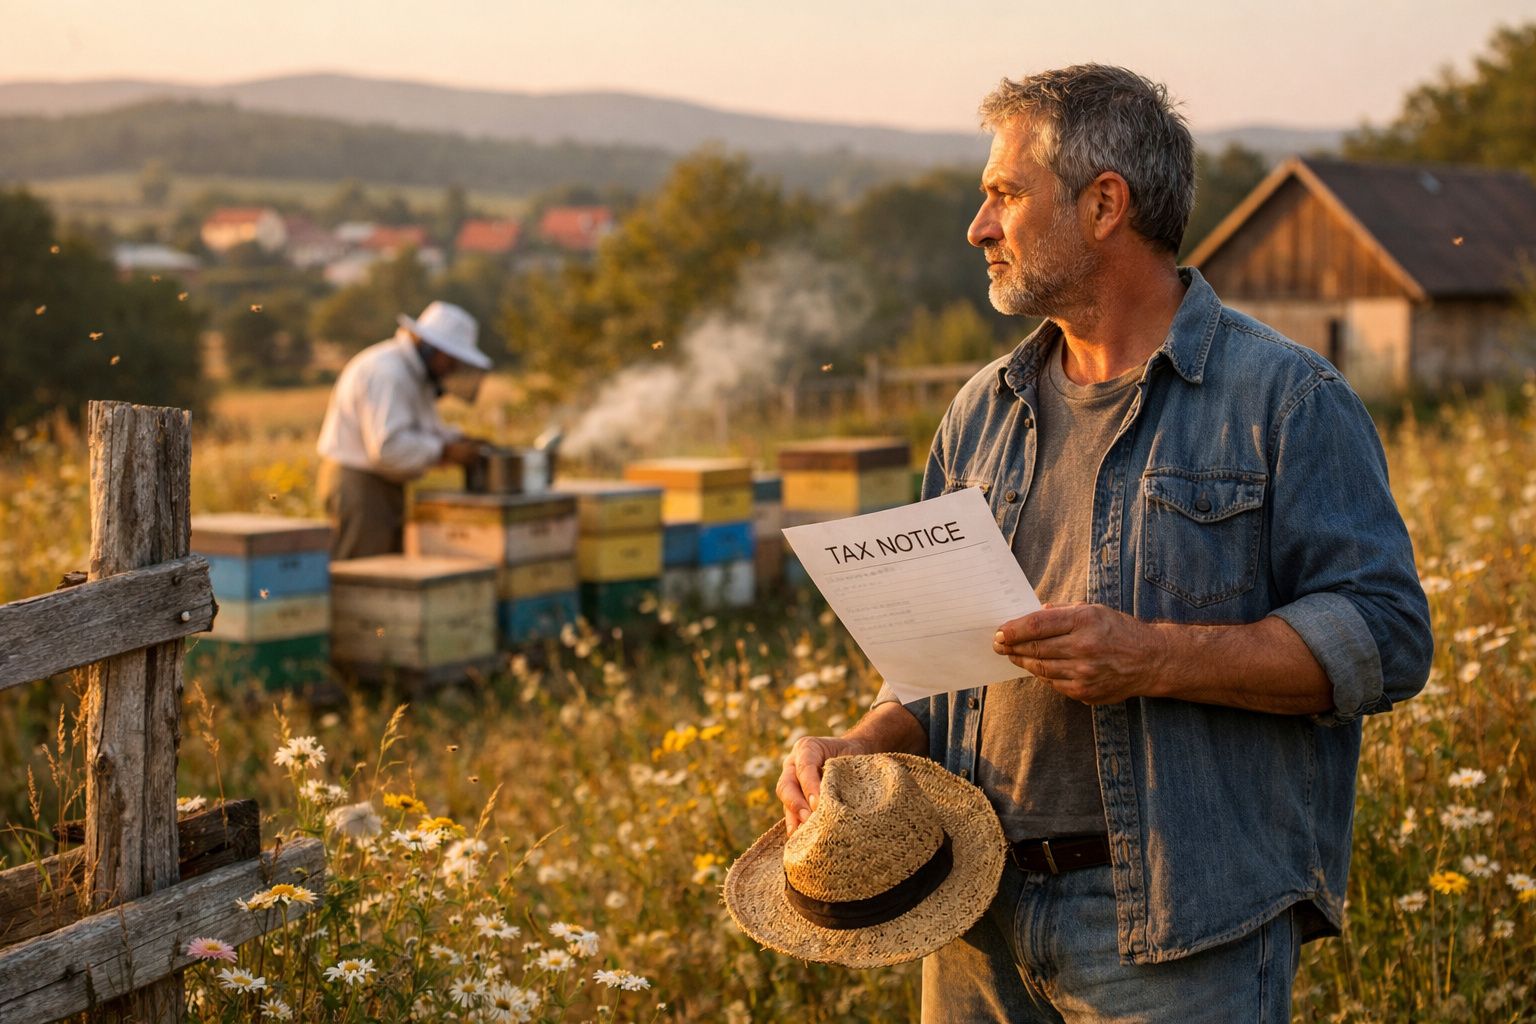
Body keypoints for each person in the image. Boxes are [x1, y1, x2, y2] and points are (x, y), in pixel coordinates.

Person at [775, 65, 1431, 1022]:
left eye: (1004, 194)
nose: (979, 226)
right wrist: (863, 744)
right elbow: (944, 667)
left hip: (1178, 928)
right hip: (972, 915)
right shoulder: (979, 411)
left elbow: (1385, 636)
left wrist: (1153, 656)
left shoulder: (1285, 400)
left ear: (1104, 205)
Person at [317, 300, 492, 561]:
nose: (453, 368)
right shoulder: (388, 372)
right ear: (432, 348)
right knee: (365, 578)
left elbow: (423, 428)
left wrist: (458, 440)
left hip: (381, 486)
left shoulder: (413, 375)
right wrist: (446, 450)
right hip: (361, 486)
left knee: (386, 578)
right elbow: (388, 448)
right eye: (451, 359)